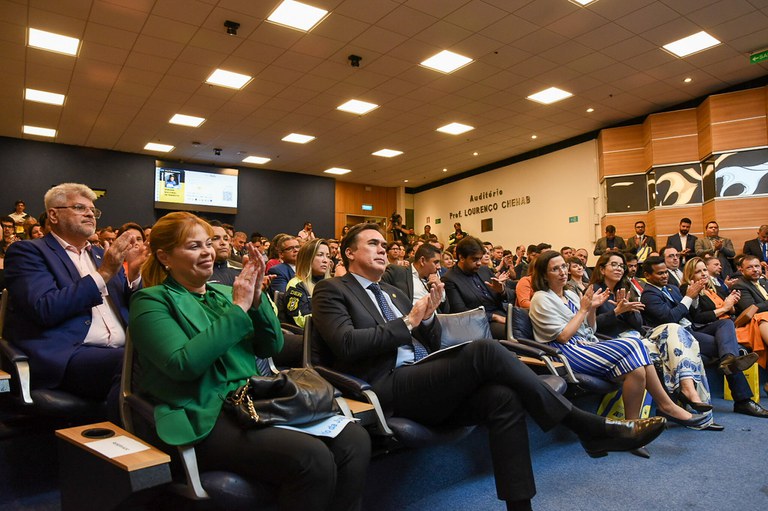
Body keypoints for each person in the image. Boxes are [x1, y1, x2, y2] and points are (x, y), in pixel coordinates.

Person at [311, 223, 666, 511]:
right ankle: (585, 425)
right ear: (349, 253)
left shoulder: (394, 292)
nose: (382, 250)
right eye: (372, 244)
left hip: (425, 378)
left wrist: (430, 316)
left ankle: (520, 506)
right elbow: (346, 345)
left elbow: (432, 341)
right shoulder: (332, 290)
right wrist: (407, 323)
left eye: (383, 245)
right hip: (386, 386)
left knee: (502, 397)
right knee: (485, 350)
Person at [129, 212, 369, 511]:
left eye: (208, 244)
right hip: (202, 411)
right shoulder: (151, 301)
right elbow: (184, 365)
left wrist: (256, 303)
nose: (206, 252)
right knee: (312, 458)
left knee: (354, 439)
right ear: (164, 256)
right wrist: (240, 307)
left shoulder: (224, 292)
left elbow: (272, 344)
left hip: (253, 401)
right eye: (193, 246)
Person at [4, 183, 145, 418]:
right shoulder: (29, 252)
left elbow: (129, 308)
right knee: (135, 362)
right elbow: (44, 308)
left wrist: (134, 277)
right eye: (80, 207)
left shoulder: (101, 255)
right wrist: (104, 274)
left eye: (93, 210)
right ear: (53, 215)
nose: (90, 213)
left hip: (119, 348)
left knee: (165, 355)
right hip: (68, 355)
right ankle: (121, 443)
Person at [529, 250, 703, 429]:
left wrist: (592, 310)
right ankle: (667, 406)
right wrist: (583, 310)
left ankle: (632, 428)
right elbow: (564, 337)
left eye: (563, 266)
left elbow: (590, 329)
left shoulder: (571, 295)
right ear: (544, 275)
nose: (563, 272)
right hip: (564, 352)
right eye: (555, 269)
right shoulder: (541, 298)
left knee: (636, 372)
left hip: (586, 344)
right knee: (634, 343)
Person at [590, 252, 715, 426]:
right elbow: (590, 327)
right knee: (682, 344)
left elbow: (637, 323)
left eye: (621, 265)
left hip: (637, 336)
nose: (619, 269)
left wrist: (629, 312)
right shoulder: (593, 290)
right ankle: (680, 403)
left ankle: (690, 394)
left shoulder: (626, 287)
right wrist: (616, 312)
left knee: (680, 335)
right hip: (611, 342)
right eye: (614, 265)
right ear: (602, 269)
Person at [640, 256, 768, 418]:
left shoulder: (671, 288)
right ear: (647, 275)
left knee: (726, 325)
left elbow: (690, 314)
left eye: (666, 272)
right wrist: (689, 297)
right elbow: (670, 318)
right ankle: (742, 400)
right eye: (660, 274)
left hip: (692, 329)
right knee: (726, 352)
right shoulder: (649, 295)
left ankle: (729, 359)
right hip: (675, 337)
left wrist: (694, 300)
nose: (665, 276)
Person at [442, 236, 509, 339]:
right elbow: (461, 311)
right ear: (461, 258)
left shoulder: (484, 270)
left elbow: (509, 295)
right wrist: (493, 317)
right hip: (480, 322)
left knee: (532, 323)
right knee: (512, 332)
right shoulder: (450, 279)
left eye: (479, 258)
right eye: (474, 259)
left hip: (501, 312)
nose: (478, 263)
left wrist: (501, 291)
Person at [283, 238, 331, 328]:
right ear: (307, 258)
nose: (325, 260)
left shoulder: (332, 284)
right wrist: (332, 318)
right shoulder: (296, 284)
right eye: (320, 255)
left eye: (328, 256)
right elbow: (300, 319)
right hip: (310, 335)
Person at [731, 255, 768, 369]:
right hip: (753, 322)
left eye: (757, 266)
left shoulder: (764, 282)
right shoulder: (739, 285)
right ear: (741, 270)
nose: (755, 269)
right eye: (750, 267)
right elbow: (750, 308)